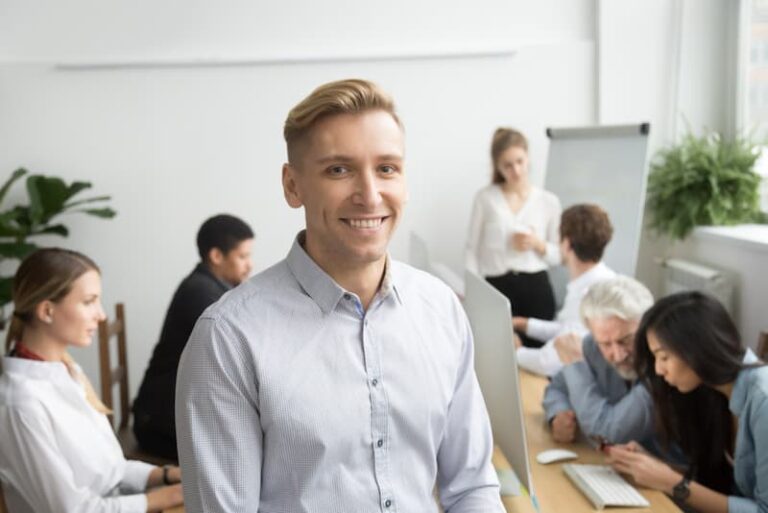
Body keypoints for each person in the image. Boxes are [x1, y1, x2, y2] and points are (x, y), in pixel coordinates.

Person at [175, 79, 505, 512]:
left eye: (387, 168)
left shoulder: (440, 309)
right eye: (339, 169)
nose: (370, 195)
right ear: (293, 186)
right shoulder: (228, 337)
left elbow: (472, 488)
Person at [0, 248, 183, 513]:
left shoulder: (67, 370)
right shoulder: (20, 404)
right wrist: (167, 497)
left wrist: (166, 476)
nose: (101, 314)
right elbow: (71, 510)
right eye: (89, 301)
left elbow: (110, 469)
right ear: (47, 311)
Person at [608, 292, 768, 513]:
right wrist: (656, 469)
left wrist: (672, 483)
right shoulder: (713, 391)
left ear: (699, 348)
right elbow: (719, 485)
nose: (657, 369)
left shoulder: (763, 401)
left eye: (664, 357)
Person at [132, 214, 254, 460]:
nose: (249, 265)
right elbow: (241, 352)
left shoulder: (215, 288)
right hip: (159, 426)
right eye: (243, 257)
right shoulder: (201, 295)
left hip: (170, 416)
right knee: (249, 452)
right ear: (216, 256)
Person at [465, 128, 561, 346]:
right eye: (507, 165)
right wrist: (472, 293)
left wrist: (538, 244)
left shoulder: (548, 202)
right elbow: (471, 249)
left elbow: (558, 257)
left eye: (519, 161)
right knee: (499, 355)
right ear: (498, 167)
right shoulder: (485, 199)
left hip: (537, 290)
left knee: (538, 359)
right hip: (497, 290)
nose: (516, 170)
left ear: (528, 157)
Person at [542, 276, 655, 446]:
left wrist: (575, 365)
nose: (618, 355)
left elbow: (605, 433)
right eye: (606, 344)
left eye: (627, 340)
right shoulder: (592, 345)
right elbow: (557, 388)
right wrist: (559, 413)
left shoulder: (661, 368)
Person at [514, 204, 616, 376]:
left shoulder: (590, 293)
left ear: (567, 244)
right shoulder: (599, 279)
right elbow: (568, 329)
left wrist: (516, 351)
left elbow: (549, 362)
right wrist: (525, 324)